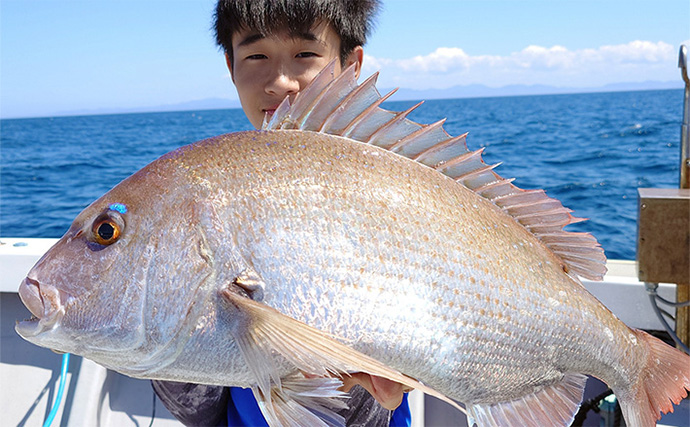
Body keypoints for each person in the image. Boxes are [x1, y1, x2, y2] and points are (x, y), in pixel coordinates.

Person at [151, 1, 412, 426]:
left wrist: (340, 386)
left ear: (351, 65)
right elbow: (202, 412)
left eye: (305, 55)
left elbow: (385, 395)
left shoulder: (391, 187)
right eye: (256, 56)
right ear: (231, 66)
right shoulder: (215, 190)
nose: (281, 81)